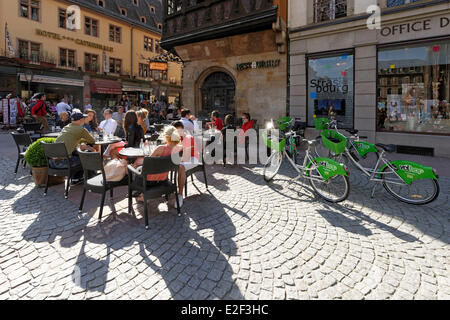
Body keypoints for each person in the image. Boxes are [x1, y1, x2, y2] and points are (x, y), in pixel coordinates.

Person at [132, 126, 183, 204]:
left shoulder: (160, 148)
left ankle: (143, 195)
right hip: (163, 179)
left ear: (166, 137)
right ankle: (143, 195)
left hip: (149, 181)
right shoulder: (180, 149)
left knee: (137, 170)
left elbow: (147, 163)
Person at [53, 111, 97, 182]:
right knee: (87, 155)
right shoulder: (81, 129)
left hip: (53, 163)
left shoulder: (66, 127)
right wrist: (84, 143)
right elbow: (92, 141)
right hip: (65, 163)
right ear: (80, 120)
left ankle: (75, 178)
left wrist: (80, 142)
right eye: (83, 118)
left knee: (78, 153)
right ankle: (92, 178)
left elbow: (70, 141)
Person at [172, 120, 201, 207]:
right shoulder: (177, 138)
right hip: (183, 158)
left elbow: (186, 157)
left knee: (181, 166)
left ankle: (180, 195)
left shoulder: (188, 137)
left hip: (194, 158)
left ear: (182, 129)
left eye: (178, 130)